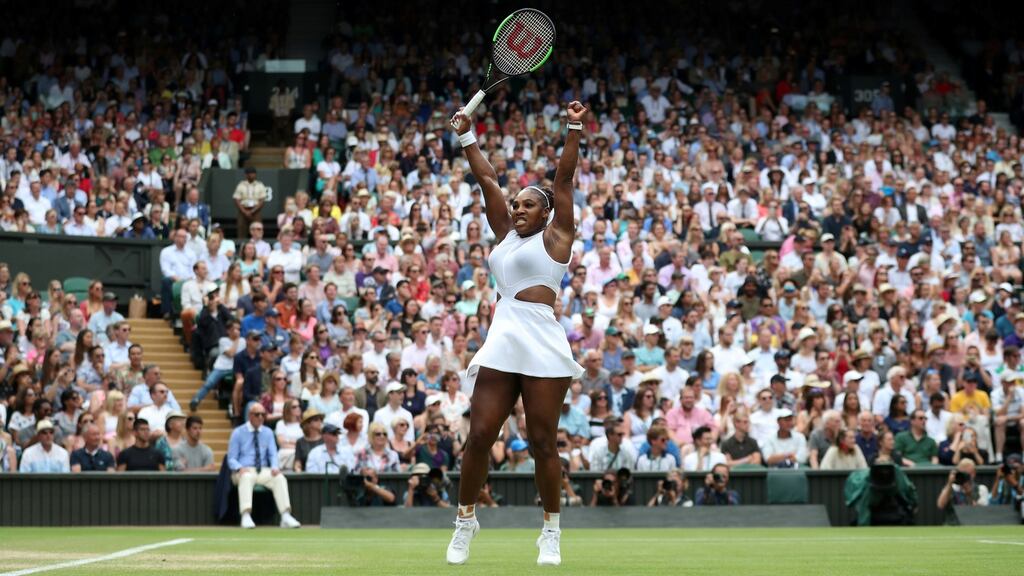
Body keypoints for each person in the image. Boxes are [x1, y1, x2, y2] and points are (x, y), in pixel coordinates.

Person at [445, 102, 586, 567]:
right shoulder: (506, 233)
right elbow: (487, 180)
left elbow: (563, 180)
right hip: (503, 339)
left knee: (543, 441)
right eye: (517, 203)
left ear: (548, 214)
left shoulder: (557, 237)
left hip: (543, 343)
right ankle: (465, 523)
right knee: (481, 433)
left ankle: (550, 532)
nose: (519, 207)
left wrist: (573, 127)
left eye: (529, 204)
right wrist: (467, 137)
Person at [226, 404, 302, 529]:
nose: (260, 417)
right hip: (243, 470)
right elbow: (231, 458)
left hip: (263, 470)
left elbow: (273, 454)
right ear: (250, 416)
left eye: (263, 414)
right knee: (246, 477)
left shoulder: (267, 432)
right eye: (257, 414)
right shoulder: (238, 432)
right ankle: (245, 515)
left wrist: (274, 467)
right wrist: (240, 468)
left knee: (280, 478)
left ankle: (285, 515)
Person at [936, 459, 991, 524]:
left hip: (973, 525)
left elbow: (983, 512)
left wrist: (969, 494)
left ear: (973, 474)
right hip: (952, 525)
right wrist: (949, 483)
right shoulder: (951, 488)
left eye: (967, 474)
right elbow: (940, 505)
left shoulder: (981, 489)